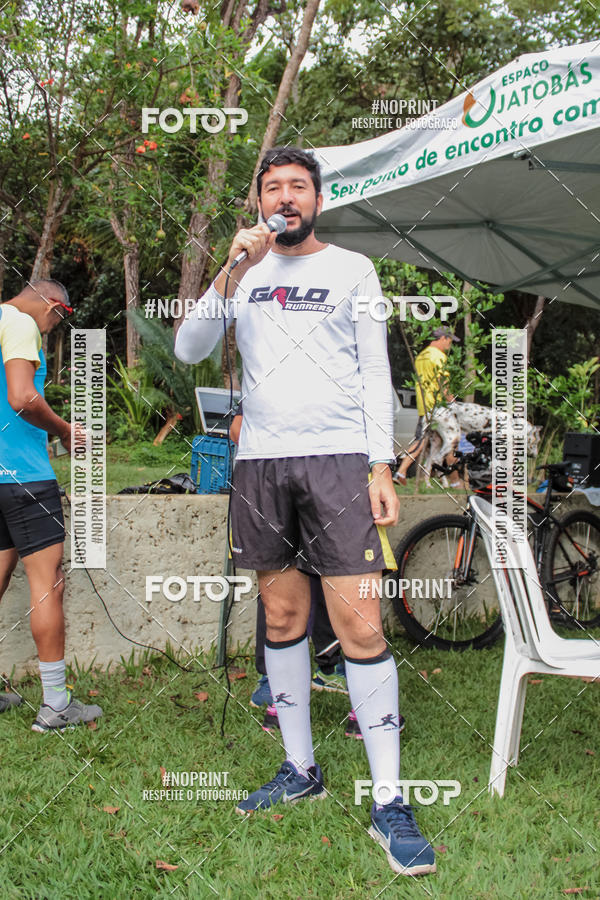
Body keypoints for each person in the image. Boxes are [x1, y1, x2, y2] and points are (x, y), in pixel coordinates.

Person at [176, 147, 435, 876]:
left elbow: (375, 372)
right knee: (283, 620)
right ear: (258, 203)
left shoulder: (351, 269)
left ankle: (390, 801)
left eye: (298, 187)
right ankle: (301, 769)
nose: (285, 197)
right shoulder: (244, 273)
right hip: (260, 463)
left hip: (338, 464)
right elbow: (190, 346)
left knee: (358, 622)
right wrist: (232, 267)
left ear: (318, 200)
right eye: (272, 188)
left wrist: (380, 462)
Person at [0, 280, 103, 731]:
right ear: (54, 305)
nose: (53, 328)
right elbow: (22, 397)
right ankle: (57, 705)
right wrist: (63, 429)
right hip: (24, 478)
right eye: (59, 319)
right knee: (48, 584)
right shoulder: (22, 323)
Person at [230, 408, 363, 737]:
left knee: (339, 583)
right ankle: (273, 685)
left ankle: (335, 670)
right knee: (279, 598)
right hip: (273, 480)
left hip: (332, 480)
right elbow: (237, 427)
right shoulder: (269, 372)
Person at [394, 326, 461, 487]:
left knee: (420, 441)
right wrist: (451, 401)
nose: (450, 345)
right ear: (443, 338)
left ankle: (400, 472)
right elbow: (442, 382)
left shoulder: (421, 356)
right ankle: (455, 482)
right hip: (439, 406)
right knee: (453, 440)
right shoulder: (439, 356)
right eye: (450, 340)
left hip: (425, 406)